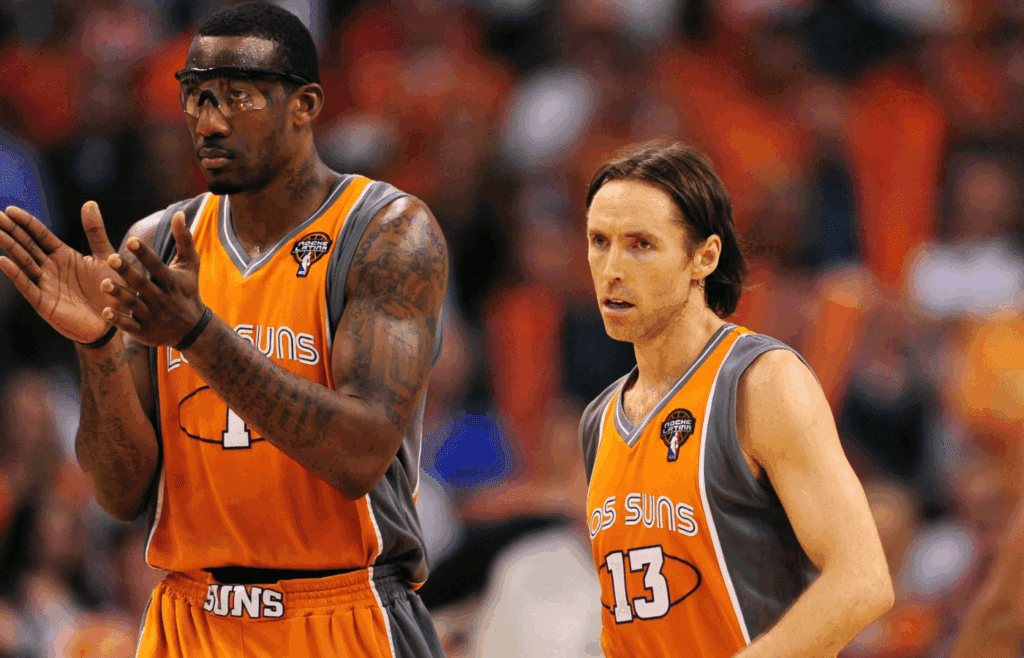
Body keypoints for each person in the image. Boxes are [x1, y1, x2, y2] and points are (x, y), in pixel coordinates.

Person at [0, 3, 447, 657]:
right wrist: (95, 348)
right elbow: (122, 494)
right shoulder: (153, 242)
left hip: (341, 612)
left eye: (237, 98)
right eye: (197, 97)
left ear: (306, 105)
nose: (209, 121)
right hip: (192, 616)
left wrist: (197, 335)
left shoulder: (386, 230)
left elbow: (359, 453)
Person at [578, 142, 893, 657]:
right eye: (599, 241)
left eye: (640, 245)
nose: (611, 267)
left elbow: (861, 581)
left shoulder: (761, 382)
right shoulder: (601, 418)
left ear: (704, 256)